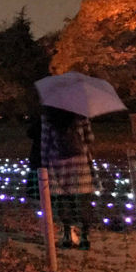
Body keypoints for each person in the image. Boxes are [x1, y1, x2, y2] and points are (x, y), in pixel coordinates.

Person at [40, 105, 96, 250]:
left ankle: (67, 235)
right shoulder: (81, 115)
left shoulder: (48, 117)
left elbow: (45, 143)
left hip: (57, 165)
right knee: (83, 201)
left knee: (63, 200)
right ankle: (85, 237)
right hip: (79, 165)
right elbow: (90, 139)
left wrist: (44, 166)